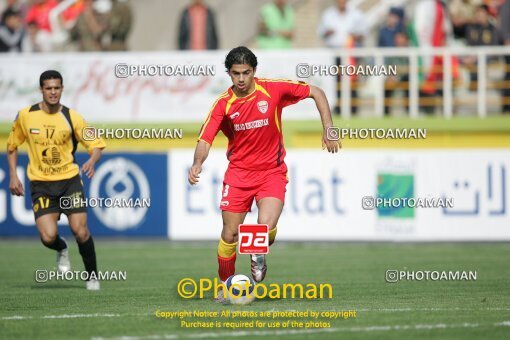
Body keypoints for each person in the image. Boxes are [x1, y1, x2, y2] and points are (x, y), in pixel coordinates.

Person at [188, 46, 340, 302]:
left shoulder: (273, 89)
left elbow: (317, 91)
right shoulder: (223, 104)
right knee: (229, 234)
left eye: (246, 73)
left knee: (264, 228)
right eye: (236, 73)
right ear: (229, 73)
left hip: (271, 172)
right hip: (238, 176)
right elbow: (205, 139)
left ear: (254, 71)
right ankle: (226, 288)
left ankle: (258, 253)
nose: (241, 79)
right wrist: (197, 163)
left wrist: (329, 129)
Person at [7, 70, 106, 290]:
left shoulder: (72, 117)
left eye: (57, 88)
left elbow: (97, 145)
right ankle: (61, 248)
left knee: (80, 231)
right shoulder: (26, 115)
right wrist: (13, 175)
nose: (53, 92)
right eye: (49, 88)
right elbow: (12, 146)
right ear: (41, 90)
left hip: (69, 181)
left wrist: (92, 160)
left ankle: (92, 276)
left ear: (62, 89)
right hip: (41, 184)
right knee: (48, 237)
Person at [317, 0, 367, 115]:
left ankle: (353, 108)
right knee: (336, 82)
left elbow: (364, 32)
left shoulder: (356, 14)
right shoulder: (328, 14)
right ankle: (338, 108)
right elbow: (320, 32)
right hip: (334, 54)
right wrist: (327, 33)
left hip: (351, 54)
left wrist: (356, 36)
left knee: (352, 80)